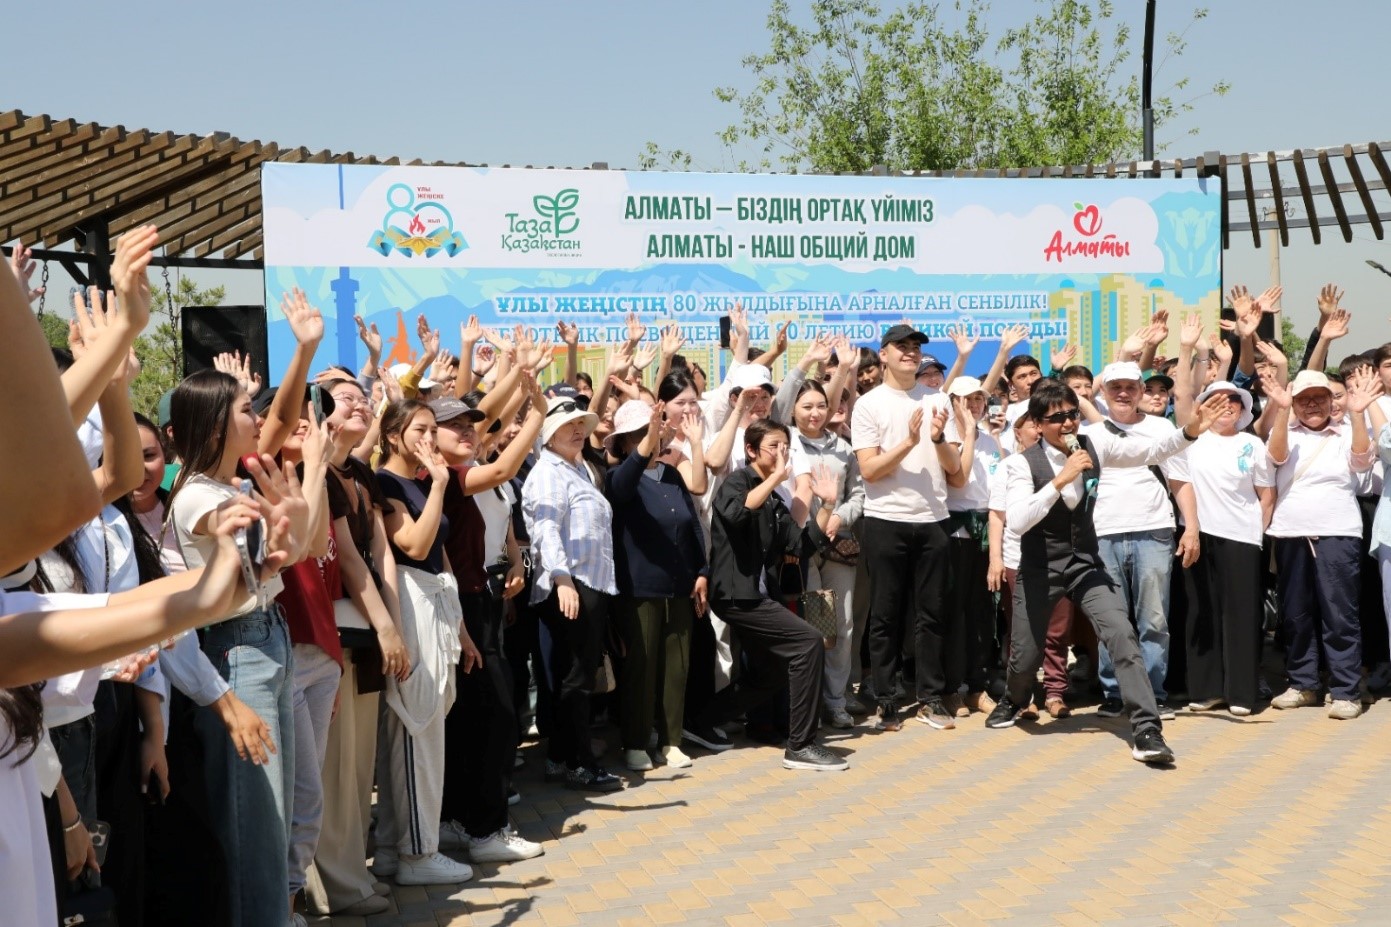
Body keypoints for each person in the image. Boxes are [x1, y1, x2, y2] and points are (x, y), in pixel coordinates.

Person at [987, 380, 1226, 764]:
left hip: (1085, 563)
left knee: (1121, 634)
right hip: (1039, 568)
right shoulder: (1020, 464)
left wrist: (1190, 431)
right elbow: (1017, 520)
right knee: (1025, 656)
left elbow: (1150, 451)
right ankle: (1014, 698)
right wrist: (1061, 478)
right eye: (1057, 418)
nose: (1068, 423)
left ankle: (1147, 729)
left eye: (1072, 414)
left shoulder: (1095, 445)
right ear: (1038, 424)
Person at [166, 368, 317, 925]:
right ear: (214, 428)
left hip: (268, 636)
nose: (258, 420)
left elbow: (277, 563)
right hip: (235, 651)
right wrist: (258, 518)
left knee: (278, 813)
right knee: (256, 823)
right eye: (247, 410)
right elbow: (216, 525)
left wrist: (288, 525)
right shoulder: (196, 495)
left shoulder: (235, 487)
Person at [685, 419, 848, 771]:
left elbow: (799, 547)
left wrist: (826, 506)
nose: (781, 453)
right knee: (808, 642)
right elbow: (736, 514)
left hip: (758, 595)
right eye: (774, 446)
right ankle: (801, 745)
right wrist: (776, 477)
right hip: (735, 595)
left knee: (770, 672)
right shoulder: (736, 482)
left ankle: (699, 721)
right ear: (751, 450)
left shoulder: (774, 499)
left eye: (785, 447)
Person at [433, 381, 547, 864]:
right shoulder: (443, 475)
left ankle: (463, 821)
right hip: (460, 604)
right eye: (453, 426)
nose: (468, 432)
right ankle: (486, 831)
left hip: (478, 599)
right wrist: (538, 413)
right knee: (493, 718)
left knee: (478, 718)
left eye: (470, 425)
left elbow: (487, 431)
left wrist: (517, 374)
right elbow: (503, 467)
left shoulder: (456, 469)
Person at [304, 376, 405, 918]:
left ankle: (351, 872)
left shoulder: (359, 472)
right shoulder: (315, 473)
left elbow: (379, 551)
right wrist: (385, 626)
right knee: (336, 766)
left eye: (362, 396)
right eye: (345, 397)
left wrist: (393, 623)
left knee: (358, 761)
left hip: (366, 630)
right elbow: (344, 558)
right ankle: (335, 885)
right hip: (332, 632)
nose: (360, 402)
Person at [373, 399, 481, 885]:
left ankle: (395, 849)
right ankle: (418, 852)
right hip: (409, 605)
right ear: (392, 435)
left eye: (433, 429)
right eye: (420, 428)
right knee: (415, 727)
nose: (429, 438)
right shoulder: (387, 483)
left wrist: (460, 629)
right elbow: (414, 545)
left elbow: (441, 555)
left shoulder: (420, 481)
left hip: (436, 605)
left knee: (424, 726)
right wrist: (438, 484)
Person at [850, 324, 964, 731]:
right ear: (883, 354)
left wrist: (937, 438)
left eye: (916, 347)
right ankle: (886, 699)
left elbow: (955, 470)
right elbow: (869, 470)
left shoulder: (937, 398)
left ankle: (930, 697)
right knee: (885, 616)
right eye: (902, 346)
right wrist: (908, 442)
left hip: (933, 520)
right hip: (885, 520)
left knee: (931, 614)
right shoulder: (869, 405)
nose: (911, 352)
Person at [1082, 362, 1199, 721]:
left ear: (1141, 391)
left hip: (1154, 531)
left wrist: (1191, 527)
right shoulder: (1089, 432)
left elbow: (1179, 480)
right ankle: (1115, 693)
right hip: (1103, 534)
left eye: (1130, 387)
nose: (1122, 393)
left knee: (1154, 620)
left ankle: (1153, 694)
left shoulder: (1162, 428)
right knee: (1112, 621)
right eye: (1114, 387)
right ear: (1103, 393)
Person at [1264, 369, 1381, 719]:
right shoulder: (1285, 430)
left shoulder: (1347, 431)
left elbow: (1362, 459)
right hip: (1291, 532)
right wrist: (1281, 410)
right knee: (1295, 613)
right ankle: (1303, 683)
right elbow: (1276, 456)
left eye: (1319, 397)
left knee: (1340, 613)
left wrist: (1358, 414)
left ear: (1332, 402)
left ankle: (1346, 690)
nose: (1312, 404)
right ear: (1294, 403)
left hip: (1337, 532)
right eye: (1303, 399)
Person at [523, 395, 623, 792]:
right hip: (570, 584)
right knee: (576, 678)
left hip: (589, 583)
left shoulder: (578, 469)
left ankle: (562, 758)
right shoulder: (549, 472)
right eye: (568, 424)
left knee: (575, 677)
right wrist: (562, 579)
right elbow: (545, 528)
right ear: (548, 435)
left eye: (581, 423)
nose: (578, 429)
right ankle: (578, 764)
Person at [605, 400, 709, 770]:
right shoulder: (616, 477)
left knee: (676, 667)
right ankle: (635, 742)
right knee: (641, 667)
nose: (646, 440)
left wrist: (702, 570)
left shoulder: (672, 475)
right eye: (636, 435)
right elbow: (622, 487)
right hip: (638, 590)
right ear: (623, 444)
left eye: (648, 432)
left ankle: (671, 741)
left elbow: (691, 525)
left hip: (679, 586)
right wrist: (649, 439)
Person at [1177, 381, 1275, 717]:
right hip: (1198, 535)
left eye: (1234, 400)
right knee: (1201, 611)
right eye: (1216, 400)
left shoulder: (1252, 444)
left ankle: (1241, 693)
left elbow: (1267, 494)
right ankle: (1207, 690)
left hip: (1242, 537)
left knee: (1242, 614)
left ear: (1243, 409)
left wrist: (1256, 531)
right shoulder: (1190, 441)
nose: (1226, 405)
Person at [786, 380, 864, 728]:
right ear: (792, 410)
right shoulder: (786, 443)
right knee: (816, 624)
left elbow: (858, 495)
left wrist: (839, 517)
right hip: (803, 546)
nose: (815, 413)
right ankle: (812, 702)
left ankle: (836, 701)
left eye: (821, 405)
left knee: (842, 624)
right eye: (807, 406)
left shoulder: (844, 449)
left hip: (838, 546)